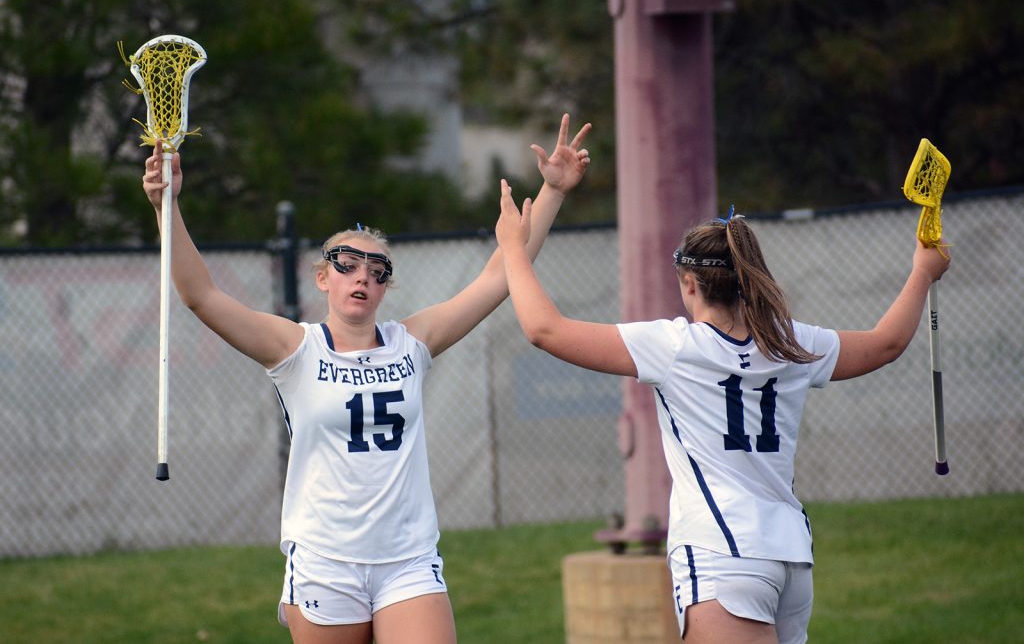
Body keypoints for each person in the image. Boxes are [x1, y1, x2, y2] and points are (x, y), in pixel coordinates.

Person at [141, 113, 592, 644]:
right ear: (322, 277)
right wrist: (166, 205)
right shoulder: (296, 349)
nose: (363, 277)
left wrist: (553, 191)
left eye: (378, 271)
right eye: (348, 264)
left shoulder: (412, 342)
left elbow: (500, 276)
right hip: (326, 560)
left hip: (408, 558)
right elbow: (201, 296)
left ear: (384, 288)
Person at [493, 186, 950, 644]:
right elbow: (887, 343)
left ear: (689, 284)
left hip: (722, 555)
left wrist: (513, 247)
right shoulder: (791, 343)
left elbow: (544, 330)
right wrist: (922, 271)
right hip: (790, 556)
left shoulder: (674, 347)